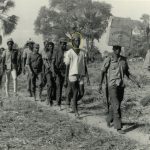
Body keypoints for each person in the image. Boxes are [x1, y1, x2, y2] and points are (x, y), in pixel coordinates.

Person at [98, 45, 140, 134]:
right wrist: (100, 84)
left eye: (119, 48)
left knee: (116, 104)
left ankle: (109, 118)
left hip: (121, 85)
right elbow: (102, 72)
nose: (118, 50)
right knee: (116, 105)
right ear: (113, 49)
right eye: (116, 48)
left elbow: (127, 73)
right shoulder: (108, 59)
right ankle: (118, 127)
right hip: (112, 85)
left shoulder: (123, 60)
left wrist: (135, 81)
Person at [64, 33, 90, 117]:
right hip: (72, 75)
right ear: (72, 41)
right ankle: (76, 111)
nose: (77, 42)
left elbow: (84, 65)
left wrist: (87, 77)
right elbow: (67, 67)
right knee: (75, 92)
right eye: (76, 40)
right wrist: (66, 79)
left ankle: (72, 102)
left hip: (81, 75)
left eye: (79, 40)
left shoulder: (83, 52)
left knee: (81, 93)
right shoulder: (69, 53)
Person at [52, 37, 67, 109]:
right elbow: (53, 63)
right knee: (59, 87)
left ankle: (68, 103)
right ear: (60, 44)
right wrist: (54, 72)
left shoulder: (67, 52)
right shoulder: (56, 51)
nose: (64, 45)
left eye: (65, 44)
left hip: (65, 71)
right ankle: (58, 103)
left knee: (66, 87)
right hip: (57, 71)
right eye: (62, 43)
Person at [41, 40, 56, 106]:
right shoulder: (46, 54)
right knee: (49, 84)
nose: (51, 47)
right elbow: (45, 63)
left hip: (55, 71)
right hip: (48, 71)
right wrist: (50, 69)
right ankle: (48, 98)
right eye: (49, 46)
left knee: (55, 85)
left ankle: (52, 98)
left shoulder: (55, 53)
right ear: (48, 47)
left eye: (52, 46)